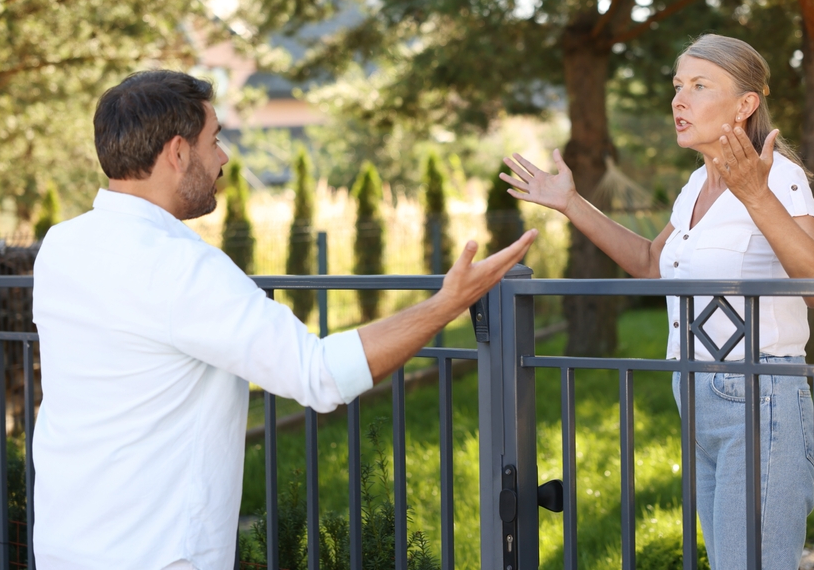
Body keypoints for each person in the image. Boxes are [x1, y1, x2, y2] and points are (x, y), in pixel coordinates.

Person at [32, 70, 536, 570]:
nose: (224, 158)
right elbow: (319, 375)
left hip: (63, 543)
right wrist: (448, 303)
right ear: (178, 152)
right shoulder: (179, 267)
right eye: (215, 140)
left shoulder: (62, 245)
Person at [501, 34, 814, 570]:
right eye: (678, 86)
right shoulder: (694, 185)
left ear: (745, 104)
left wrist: (754, 194)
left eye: (700, 86)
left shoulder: (777, 176)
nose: (679, 100)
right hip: (695, 392)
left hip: (760, 396)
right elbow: (650, 264)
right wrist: (569, 202)